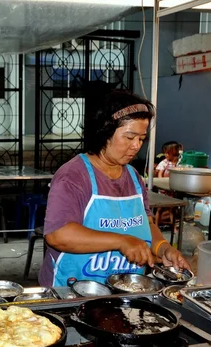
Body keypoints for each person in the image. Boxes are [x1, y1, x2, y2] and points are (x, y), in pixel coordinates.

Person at [39, 90, 191, 287]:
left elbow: (146, 224)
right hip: (72, 292)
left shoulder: (134, 178)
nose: (136, 146)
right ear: (105, 132)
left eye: (141, 138)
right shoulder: (73, 176)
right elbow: (58, 235)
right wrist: (121, 240)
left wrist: (162, 248)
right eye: (129, 137)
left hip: (124, 289)